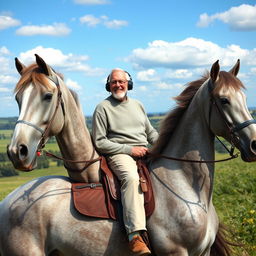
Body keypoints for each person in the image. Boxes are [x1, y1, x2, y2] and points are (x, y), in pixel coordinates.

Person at [92, 68, 158, 256]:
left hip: (144, 150)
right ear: (108, 85)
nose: (118, 85)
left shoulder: (138, 105)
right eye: (114, 82)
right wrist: (130, 150)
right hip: (119, 153)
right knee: (131, 178)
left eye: (121, 81)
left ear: (129, 83)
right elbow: (100, 142)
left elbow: (150, 132)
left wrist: (163, 144)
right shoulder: (102, 108)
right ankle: (134, 236)